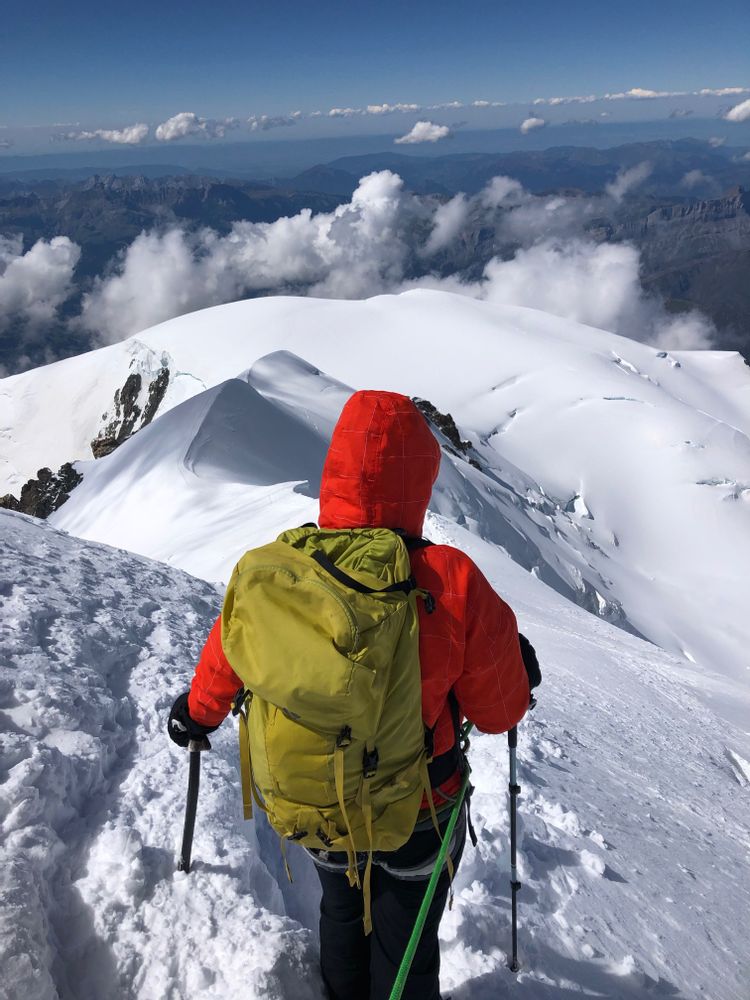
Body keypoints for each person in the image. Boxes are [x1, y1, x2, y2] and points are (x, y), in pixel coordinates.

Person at [168, 389, 540, 1000]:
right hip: (420, 805)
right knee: (406, 947)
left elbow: (228, 659)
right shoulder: (450, 579)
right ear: (421, 479)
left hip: (320, 803)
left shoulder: (281, 569)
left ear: (334, 468)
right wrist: (517, 669)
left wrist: (195, 715)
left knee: (341, 914)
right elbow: (499, 714)